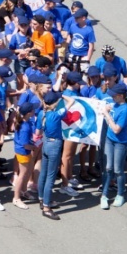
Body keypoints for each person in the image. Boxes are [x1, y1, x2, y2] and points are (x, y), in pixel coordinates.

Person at [38, 90, 74, 220]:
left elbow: (38, 131)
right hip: (54, 145)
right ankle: (46, 207)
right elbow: (71, 101)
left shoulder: (42, 113)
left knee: (43, 173)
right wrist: (61, 95)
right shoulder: (56, 114)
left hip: (46, 142)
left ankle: (42, 199)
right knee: (50, 176)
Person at [101, 84, 127, 209]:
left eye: (114, 96)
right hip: (109, 140)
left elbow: (116, 129)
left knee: (118, 170)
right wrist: (107, 110)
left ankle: (120, 194)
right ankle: (104, 195)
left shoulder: (125, 110)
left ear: (121, 96)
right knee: (108, 168)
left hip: (120, 143)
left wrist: (106, 114)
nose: (112, 97)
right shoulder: (116, 105)